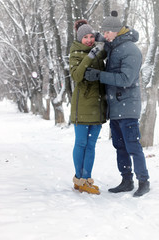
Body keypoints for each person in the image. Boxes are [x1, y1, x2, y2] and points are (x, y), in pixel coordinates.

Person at [84, 11, 150, 197]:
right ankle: (126, 180)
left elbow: (126, 79)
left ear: (116, 31)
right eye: (103, 33)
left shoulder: (130, 49)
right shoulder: (113, 45)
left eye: (107, 32)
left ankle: (143, 180)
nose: (104, 36)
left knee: (132, 146)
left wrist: (99, 75)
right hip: (115, 107)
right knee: (119, 146)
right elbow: (102, 39)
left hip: (128, 107)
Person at [69, 20, 107, 195]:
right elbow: (76, 76)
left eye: (92, 36)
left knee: (91, 145)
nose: (89, 40)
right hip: (82, 106)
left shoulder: (99, 51)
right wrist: (89, 56)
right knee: (81, 143)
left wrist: (102, 42)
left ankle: (87, 179)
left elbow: (109, 51)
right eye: (86, 37)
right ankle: (79, 178)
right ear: (80, 38)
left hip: (97, 105)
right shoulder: (75, 53)